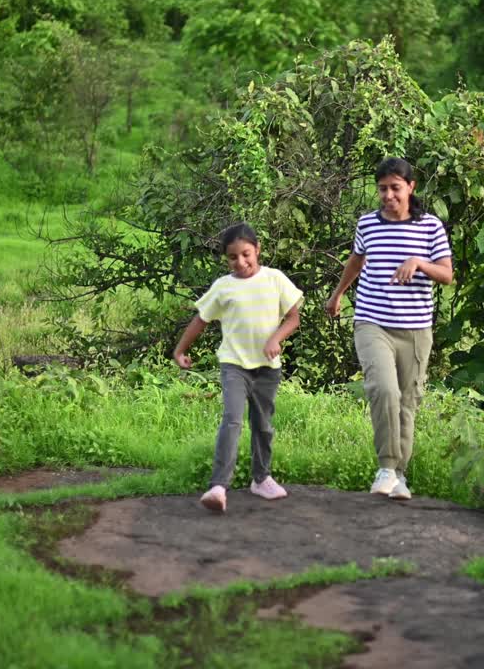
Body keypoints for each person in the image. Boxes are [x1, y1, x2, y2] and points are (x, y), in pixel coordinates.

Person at [325, 157, 453, 501]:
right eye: (383, 189)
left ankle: (398, 475)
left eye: (395, 188)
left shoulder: (430, 227)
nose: (388, 195)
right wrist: (337, 295)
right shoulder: (368, 224)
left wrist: (418, 263)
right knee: (384, 390)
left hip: (414, 328)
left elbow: (447, 274)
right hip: (372, 321)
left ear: (411, 188)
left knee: (407, 402)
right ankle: (385, 466)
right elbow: (357, 259)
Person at [173, 222, 304, 513]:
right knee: (232, 419)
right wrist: (181, 349)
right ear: (226, 258)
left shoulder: (275, 279)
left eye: (246, 254)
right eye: (233, 257)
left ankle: (261, 478)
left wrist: (275, 338)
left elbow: (293, 318)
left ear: (257, 250)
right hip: (234, 365)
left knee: (263, 424)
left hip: (267, 368)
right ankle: (218, 486)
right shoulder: (223, 286)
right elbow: (201, 319)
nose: (241, 262)